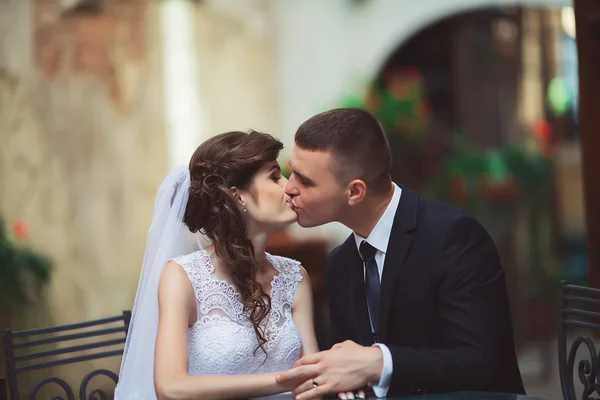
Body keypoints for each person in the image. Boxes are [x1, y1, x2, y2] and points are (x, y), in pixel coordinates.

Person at [276, 108, 526, 399]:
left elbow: (480, 362)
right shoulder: (340, 264)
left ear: (355, 192)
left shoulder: (454, 237)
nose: (289, 187)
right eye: (290, 171)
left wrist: (380, 361)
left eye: (305, 181)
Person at [114, 130, 319, 400]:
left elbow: (314, 378)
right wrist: (282, 381)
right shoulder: (182, 276)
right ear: (237, 196)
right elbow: (170, 388)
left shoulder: (295, 276)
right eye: (274, 176)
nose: (289, 186)